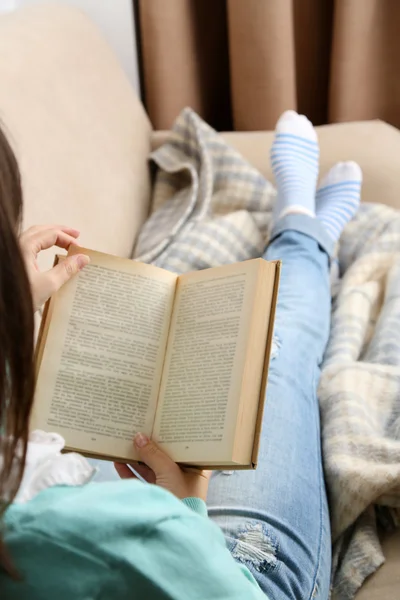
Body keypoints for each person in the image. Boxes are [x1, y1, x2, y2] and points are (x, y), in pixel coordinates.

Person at [0, 111, 362, 599]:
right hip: (221, 570)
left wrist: (13, 309)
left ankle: (302, 228)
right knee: (274, 355)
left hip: (89, 502)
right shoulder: (106, 536)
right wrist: (188, 507)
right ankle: (303, 232)